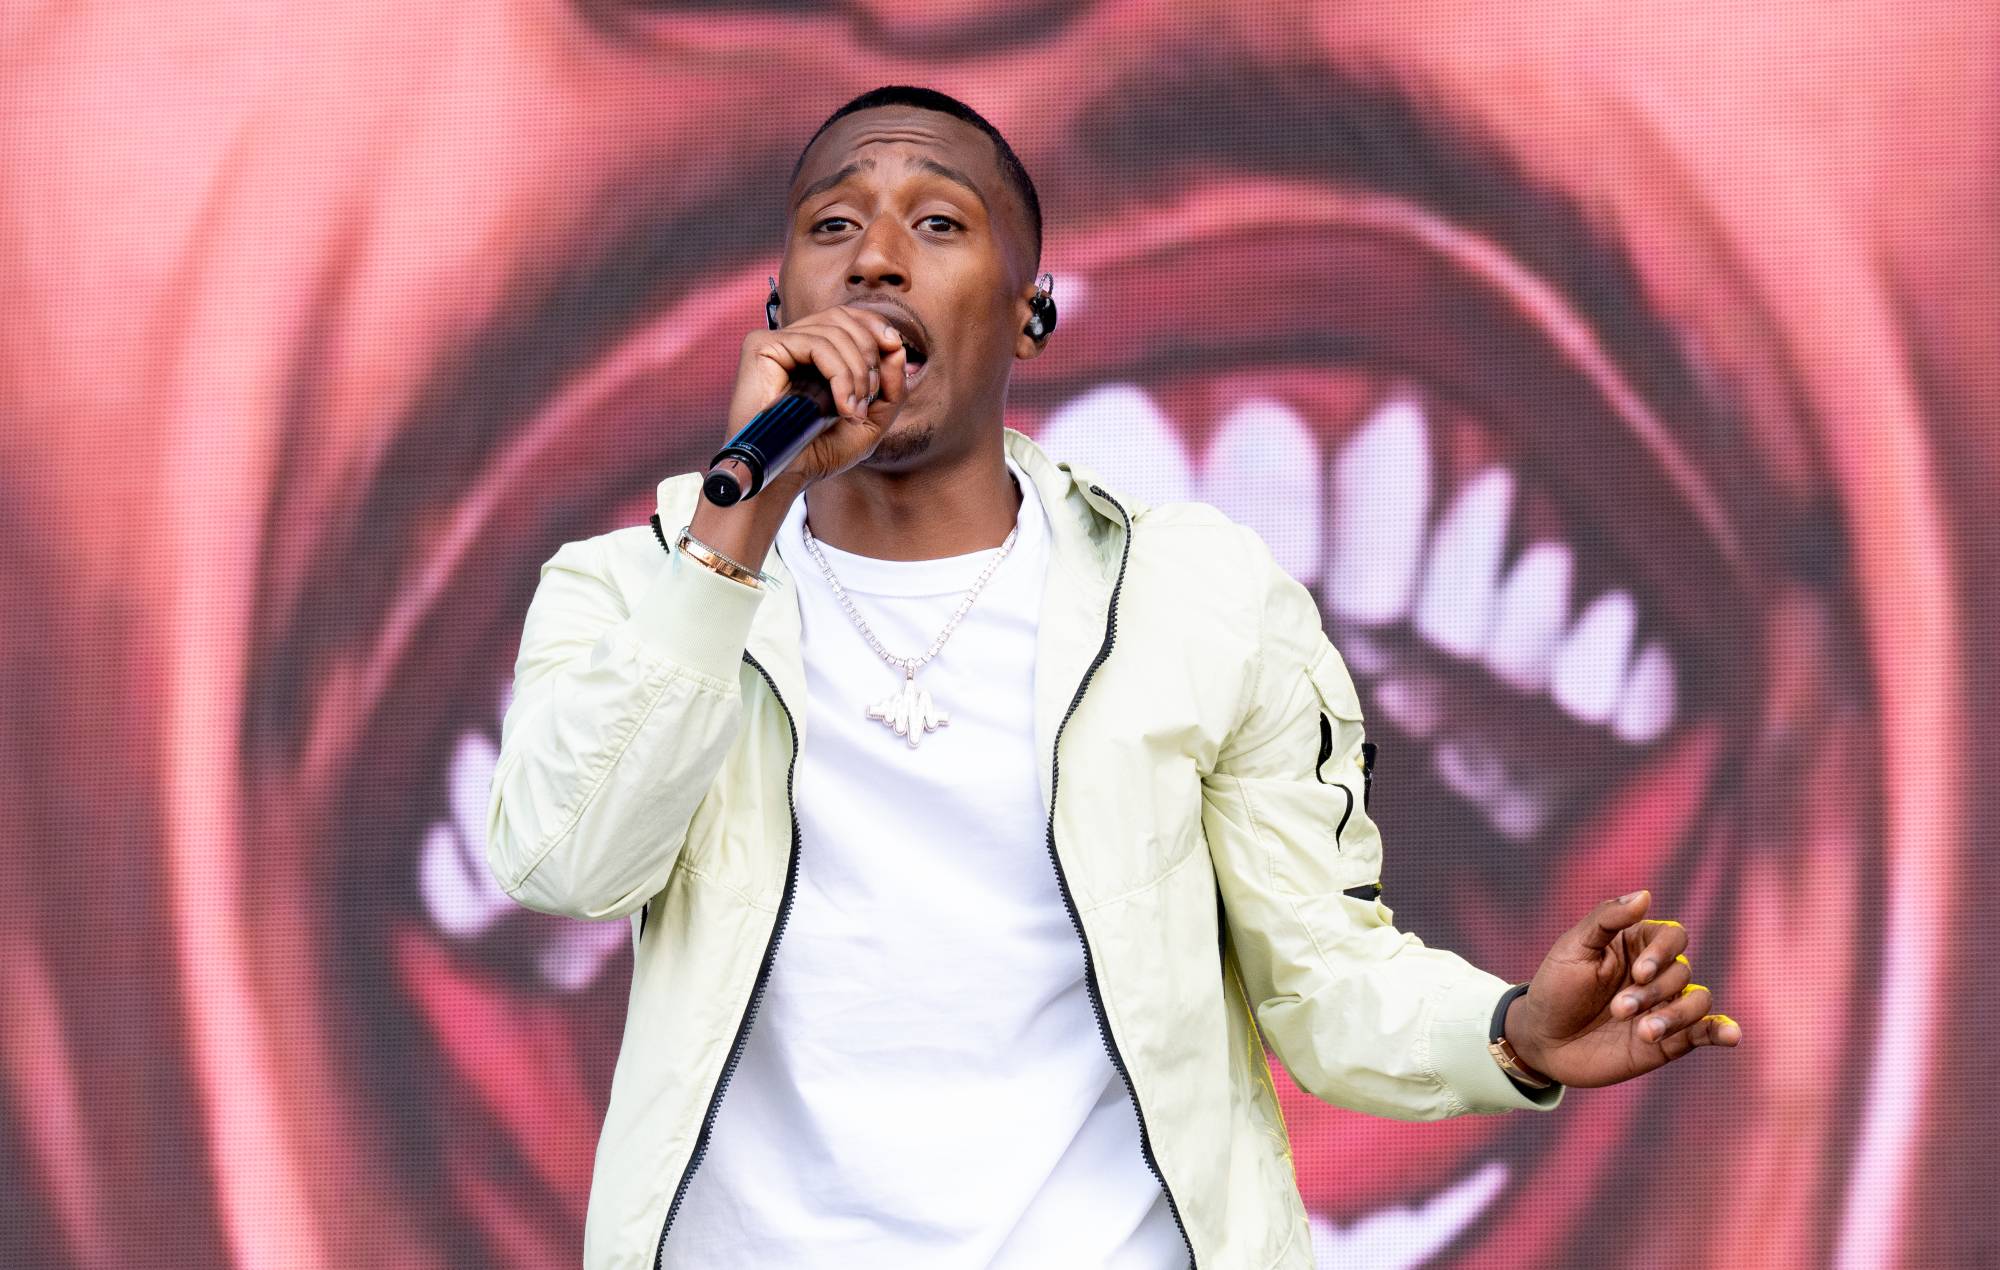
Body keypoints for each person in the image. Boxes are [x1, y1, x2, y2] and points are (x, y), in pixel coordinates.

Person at [485, 85, 1741, 1270]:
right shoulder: (633, 590)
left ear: (1029, 309)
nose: (874, 258)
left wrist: (1509, 1034)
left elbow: (1316, 976)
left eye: (935, 221)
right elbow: (565, 863)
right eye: (831, 225)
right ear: (776, 308)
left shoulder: (1195, 598)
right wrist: (731, 536)